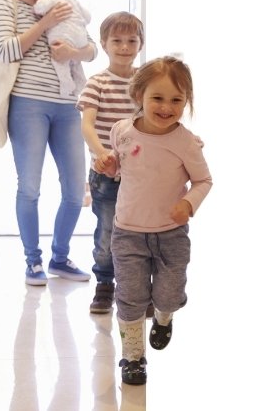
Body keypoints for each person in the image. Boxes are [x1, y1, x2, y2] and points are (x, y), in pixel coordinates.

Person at [94, 56, 212, 385]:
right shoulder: (122, 131)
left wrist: (188, 203)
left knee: (169, 295)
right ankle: (133, 357)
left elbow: (204, 181)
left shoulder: (185, 142)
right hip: (128, 232)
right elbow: (121, 167)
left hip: (171, 234)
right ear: (139, 96)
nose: (166, 107)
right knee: (130, 297)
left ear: (186, 101)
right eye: (157, 98)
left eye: (177, 100)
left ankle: (164, 316)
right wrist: (109, 166)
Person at [0, 0, 98, 286]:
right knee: (30, 188)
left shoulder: (63, 0)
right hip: (28, 105)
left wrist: (74, 53)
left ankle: (60, 258)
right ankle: (32, 261)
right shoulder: (4, 4)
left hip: (68, 104)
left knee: (74, 189)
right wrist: (44, 25)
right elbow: (5, 50)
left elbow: (91, 45)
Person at [77, 11, 145, 314]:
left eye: (131, 40)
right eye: (117, 40)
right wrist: (102, 153)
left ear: (140, 44)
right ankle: (105, 284)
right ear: (104, 43)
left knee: (141, 233)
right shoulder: (98, 83)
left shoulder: (145, 83)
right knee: (107, 233)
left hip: (141, 174)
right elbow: (87, 125)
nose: (124, 46)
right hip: (106, 175)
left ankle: (138, 289)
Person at [33, 0, 91, 97]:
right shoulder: (75, 1)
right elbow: (88, 17)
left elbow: (39, 8)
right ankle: (81, 83)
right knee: (75, 62)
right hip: (80, 38)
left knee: (60, 61)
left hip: (62, 37)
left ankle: (66, 84)